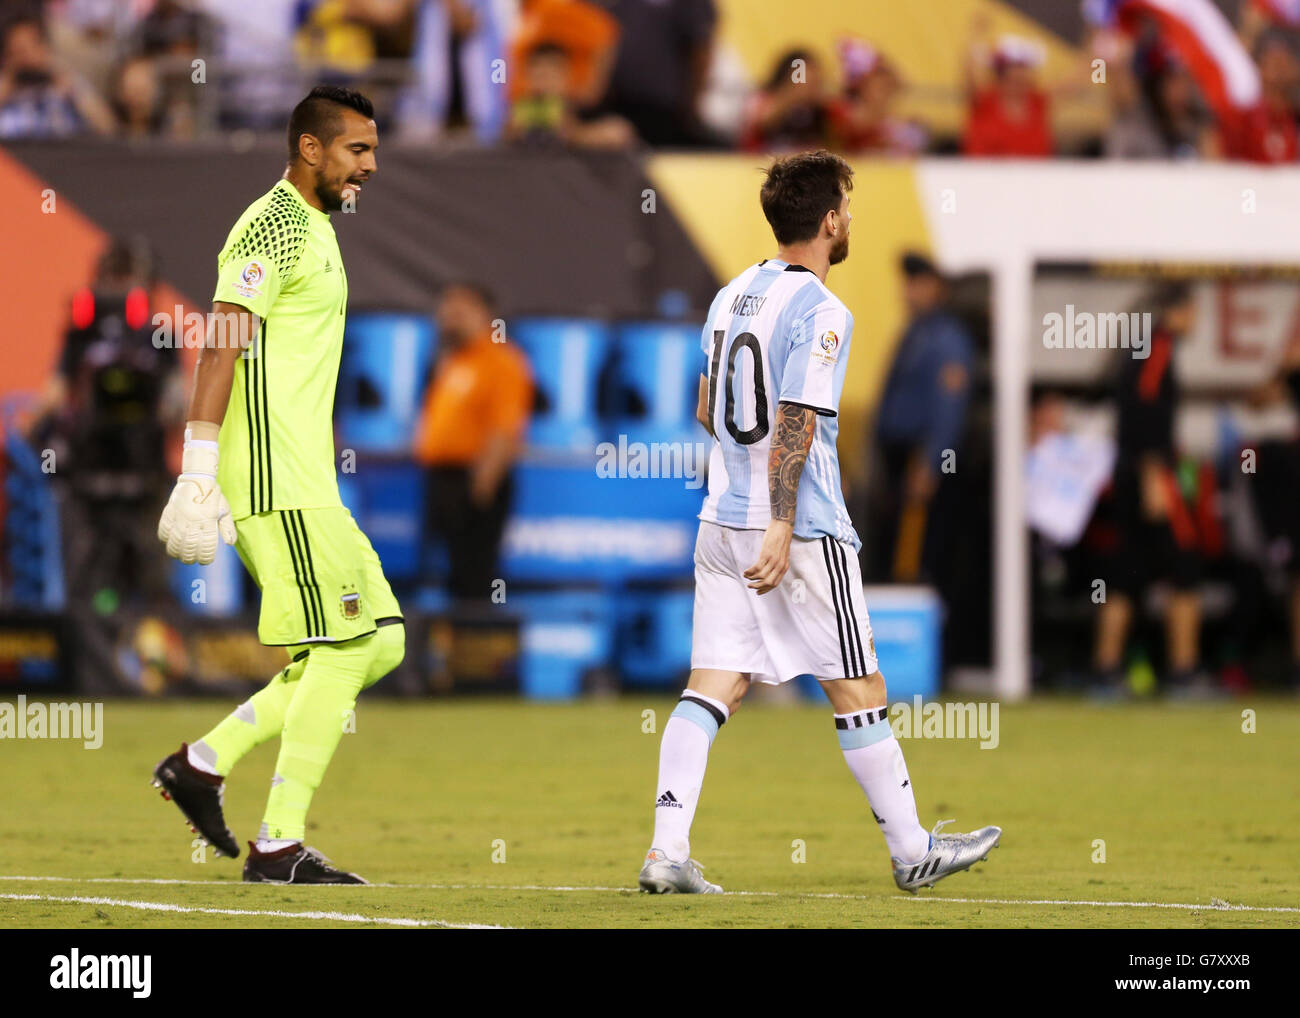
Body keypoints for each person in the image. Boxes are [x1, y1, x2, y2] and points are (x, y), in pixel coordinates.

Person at [638, 151, 1000, 896]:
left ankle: (665, 853)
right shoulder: (824, 311)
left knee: (712, 685)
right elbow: (798, 419)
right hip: (798, 527)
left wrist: (743, 492)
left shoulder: (730, 295)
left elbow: (708, 408)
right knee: (859, 684)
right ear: (830, 220)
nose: (850, 219)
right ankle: (911, 851)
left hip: (719, 520)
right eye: (847, 207)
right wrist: (780, 521)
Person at [151, 85, 404, 884]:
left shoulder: (319, 228)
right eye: (357, 150)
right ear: (310, 148)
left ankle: (205, 761)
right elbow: (221, 342)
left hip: (309, 481)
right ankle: (279, 843)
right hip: (274, 481)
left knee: (382, 641)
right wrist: (197, 470)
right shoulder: (271, 224)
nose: (370, 164)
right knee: (343, 644)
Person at [1092, 281, 1207, 696]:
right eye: (1194, 311)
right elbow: (1143, 410)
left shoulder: (1139, 342)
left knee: (1125, 572)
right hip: (1152, 475)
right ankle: (1184, 673)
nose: (1196, 320)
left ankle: (1105, 672)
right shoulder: (1155, 346)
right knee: (1186, 568)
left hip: (1132, 472)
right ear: (1178, 309)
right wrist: (1153, 475)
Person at [413, 282, 533, 603]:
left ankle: (476, 648)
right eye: (446, 310)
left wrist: (482, 487)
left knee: (474, 574)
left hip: (473, 481)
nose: (449, 318)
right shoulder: (451, 362)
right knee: (442, 575)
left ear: (485, 315)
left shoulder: (501, 361)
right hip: (442, 480)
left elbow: (505, 428)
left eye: (460, 311)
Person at [870, 253, 974, 586]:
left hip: (920, 460)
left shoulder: (947, 338)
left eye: (916, 284)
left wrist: (932, 462)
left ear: (937, 287)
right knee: (892, 550)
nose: (908, 292)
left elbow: (949, 407)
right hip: (898, 459)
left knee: (915, 559)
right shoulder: (916, 332)